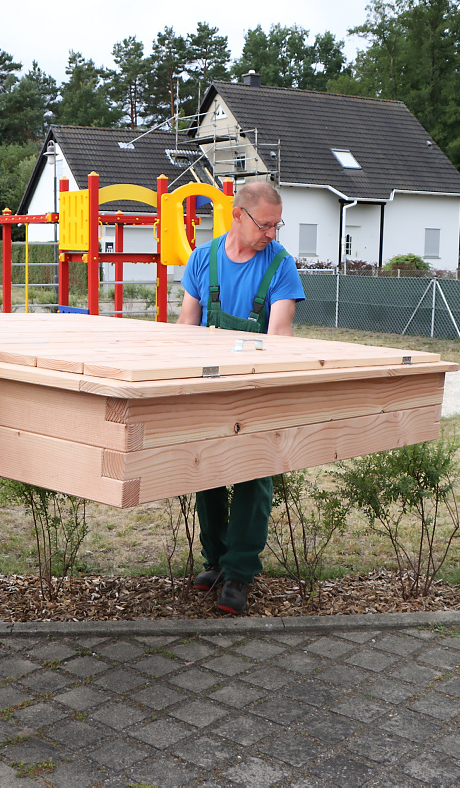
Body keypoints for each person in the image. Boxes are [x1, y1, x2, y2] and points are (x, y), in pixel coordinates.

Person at [176, 180, 305, 615]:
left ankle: (238, 574)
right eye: (266, 225)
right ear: (238, 216)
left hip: (257, 388)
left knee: (253, 478)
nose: (273, 234)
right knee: (205, 472)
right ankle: (214, 560)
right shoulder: (202, 258)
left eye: (276, 225)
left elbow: (280, 335)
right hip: (209, 388)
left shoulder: (281, 266)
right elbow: (186, 328)